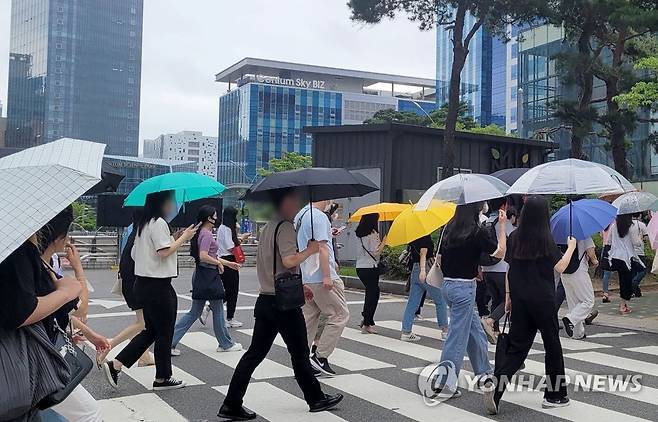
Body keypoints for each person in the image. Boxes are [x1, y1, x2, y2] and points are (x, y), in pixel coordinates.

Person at [218, 189, 343, 420]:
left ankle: (231, 402)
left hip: (266, 298)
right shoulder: (285, 227)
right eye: (295, 202)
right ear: (285, 204)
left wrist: (299, 284)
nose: (297, 206)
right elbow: (288, 260)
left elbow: (275, 265)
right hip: (282, 303)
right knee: (299, 353)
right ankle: (315, 398)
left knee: (255, 354)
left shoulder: (268, 227)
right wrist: (311, 249)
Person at [483, 195, 576, 415]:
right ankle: (555, 395)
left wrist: (507, 297)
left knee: (517, 349)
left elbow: (509, 268)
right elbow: (561, 267)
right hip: (543, 301)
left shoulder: (515, 237)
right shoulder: (546, 239)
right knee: (552, 346)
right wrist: (571, 247)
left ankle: (496, 386)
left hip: (520, 300)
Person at [102, 190, 198, 391]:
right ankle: (163, 378)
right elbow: (163, 252)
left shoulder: (143, 225)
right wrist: (184, 238)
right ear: (162, 202)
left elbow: (139, 254)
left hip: (143, 284)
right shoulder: (159, 223)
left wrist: (174, 238)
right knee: (164, 333)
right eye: (171, 200)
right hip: (159, 286)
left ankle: (117, 364)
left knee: (152, 331)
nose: (174, 204)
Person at [36, 207, 110, 422]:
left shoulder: (42, 263)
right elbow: (80, 307)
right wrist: (78, 269)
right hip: (41, 361)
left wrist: (90, 334)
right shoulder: (40, 270)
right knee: (90, 414)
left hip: (38, 355)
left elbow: (58, 311)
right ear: (58, 236)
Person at [436, 202, 505, 398]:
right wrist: (501, 226)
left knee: (475, 330)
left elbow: (440, 258)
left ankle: (484, 373)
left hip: (448, 286)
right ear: (475, 208)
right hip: (463, 289)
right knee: (456, 339)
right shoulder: (477, 231)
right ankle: (444, 384)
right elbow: (500, 253)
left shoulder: (448, 228)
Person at [171, 205, 242, 355]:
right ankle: (225, 343)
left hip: (203, 274)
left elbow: (207, 256)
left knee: (195, 311)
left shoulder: (201, 233)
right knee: (217, 310)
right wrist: (218, 263)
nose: (217, 218)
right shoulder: (207, 234)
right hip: (209, 276)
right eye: (214, 215)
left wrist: (228, 264)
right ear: (209, 218)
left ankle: (170, 342)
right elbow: (204, 256)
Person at [295, 200, 349, 376]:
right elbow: (322, 248)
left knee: (309, 318)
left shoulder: (301, 215)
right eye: (331, 200)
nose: (331, 203)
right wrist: (327, 276)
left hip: (307, 275)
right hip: (321, 276)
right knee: (340, 314)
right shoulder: (319, 217)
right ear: (324, 198)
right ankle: (320, 357)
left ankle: (302, 362)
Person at [98, 210, 155, 367]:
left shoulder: (132, 232)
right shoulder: (141, 236)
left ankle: (145, 357)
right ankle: (107, 347)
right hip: (137, 285)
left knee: (144, 323)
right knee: (143, 323)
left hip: (130, 284)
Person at [400, 233, 449, 342]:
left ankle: (406, 331)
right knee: (440, 300)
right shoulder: (424, 236)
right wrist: (423, 270)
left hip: (415, 269)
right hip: (426, 269)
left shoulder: (413, 236)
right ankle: (445, 330)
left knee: (412, 303)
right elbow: (423, 253)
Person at [481, 198, 515, 344]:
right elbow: (513, 239)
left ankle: (495, 330)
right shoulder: (505, 222)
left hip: (487, 267)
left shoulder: (486, 222)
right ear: (503, 205)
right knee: (508, 299)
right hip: (502, 267)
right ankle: (490, 320)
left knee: (496, 298)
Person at [218, 206, 250, 328]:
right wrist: (241, 239)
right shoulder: (226, 229)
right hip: (228, 260)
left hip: (224, 259)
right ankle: (229, 317)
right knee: (233, 290)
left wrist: (238, 235)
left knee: (229, 290)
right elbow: (231, 247)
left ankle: (214, 309)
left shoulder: (223, 227)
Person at [560, 237, 598, 339]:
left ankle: (577, 333)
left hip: (564, 272)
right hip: (579, 271)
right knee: (588, 301)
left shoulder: (560, 234)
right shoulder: (584, 235)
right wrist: (595, 261)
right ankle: (570, 319)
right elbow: (591, 253)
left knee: (573, 303)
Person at [355, 213, 386, 334]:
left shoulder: (359, 233)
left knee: (371, 293)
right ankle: (367, 322)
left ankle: (367, 318)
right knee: (373, 294)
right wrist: (384, 241)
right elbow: (375, 252)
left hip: (360, 267)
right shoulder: (373, 234)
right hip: (371, 268)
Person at [605, 214, 642, 314]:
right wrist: (640, 237)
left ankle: (624, 304)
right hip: (627, 258)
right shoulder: (632, 226)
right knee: (626, 281)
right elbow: (636, 243)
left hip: (615, 257)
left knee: (623, 280)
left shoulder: (614, 226)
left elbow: (608, 241)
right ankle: (622, 305)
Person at [630, 214, 649, 297]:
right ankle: (633, 283)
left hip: (630, 252)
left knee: (633, 271)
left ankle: (637, 292)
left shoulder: (627, 225)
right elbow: (646, 238)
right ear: (640, 215)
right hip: (640, 252)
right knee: (643, 271)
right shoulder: (642, 225)